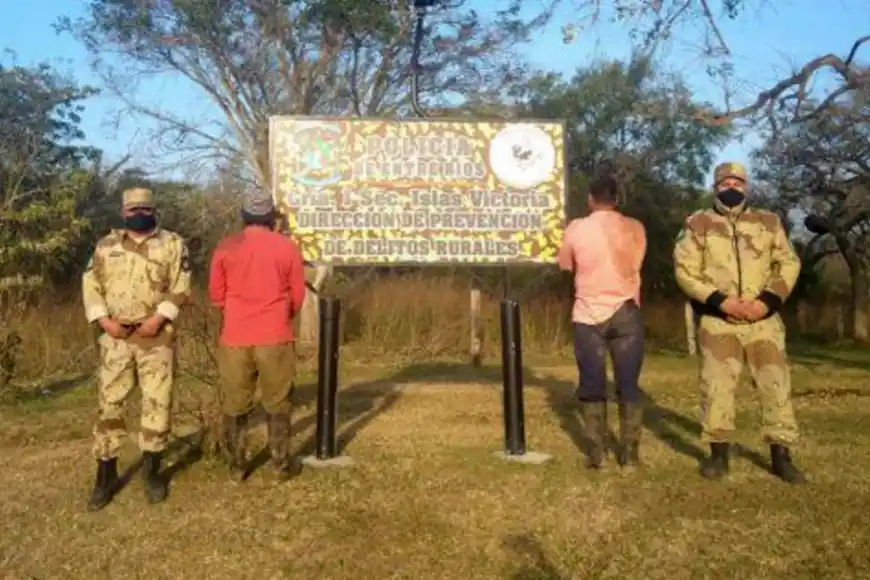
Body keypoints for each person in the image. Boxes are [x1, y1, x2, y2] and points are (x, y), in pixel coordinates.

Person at [673, 161, 805, 484]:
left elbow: (787, 263)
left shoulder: (768, 222)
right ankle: (718, 455)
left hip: (764, 320)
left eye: (738, 182)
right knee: (716, 387)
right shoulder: (697, 224)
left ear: (747, 186)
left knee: (775, 386)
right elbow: (684, 270)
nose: (732, 187)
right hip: (719, 321)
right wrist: (721, 302)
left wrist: (767, 302)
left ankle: (781, 455)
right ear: (715, 187)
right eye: (725, 182)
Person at [81, 187, 192, 510]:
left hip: (156, 338)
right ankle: (105, 478)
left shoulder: (173, 244)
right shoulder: (106, 245)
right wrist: (104, 321)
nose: (138, 214)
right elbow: (91, 287)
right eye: (132, 210)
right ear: (123, 212)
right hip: (115, 338)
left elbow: (181, 287)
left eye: (144, 208)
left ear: (154, 210)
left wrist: (159, 318)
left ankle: (152, 474)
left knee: (157, 404)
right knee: (110, 406)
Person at [208, 189, 307, 482]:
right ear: (270, 217)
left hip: (235, 335)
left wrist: (236, 312)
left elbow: (217, 293)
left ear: (244, 215)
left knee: (235, 403)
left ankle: (237, 465)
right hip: (274, 334)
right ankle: (280, 464)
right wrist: (280, 315)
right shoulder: (287, 248)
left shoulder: (226, 246)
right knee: (278, 402)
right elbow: (298, 295)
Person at [557, 173, 648, 470]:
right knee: (628, 384)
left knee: (592, 383)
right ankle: (630, 455)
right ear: (617, 199)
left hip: (588, 314)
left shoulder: (576, 228)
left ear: (590, 199)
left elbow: (565, 264)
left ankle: (597, 454)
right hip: (626, 310)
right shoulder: (636, 228)